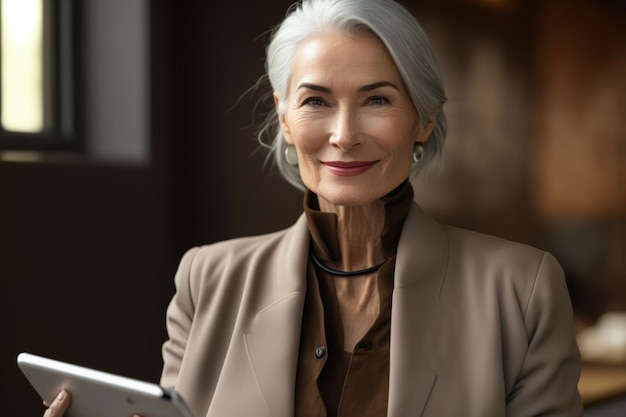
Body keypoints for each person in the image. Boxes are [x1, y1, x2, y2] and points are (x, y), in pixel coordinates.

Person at [45, 0, 583, 416]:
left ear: (423, 118)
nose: (344, 135)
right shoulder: (206, 279)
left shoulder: (522, 288)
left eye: (377, 99)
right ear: (283, 118)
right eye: (316, 101)